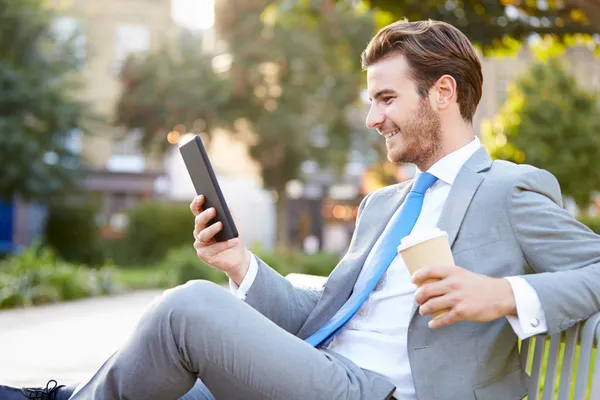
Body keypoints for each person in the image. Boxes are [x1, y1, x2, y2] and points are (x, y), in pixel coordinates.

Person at [3, 18, 600, 400]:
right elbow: (325, 316)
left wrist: (507, 296)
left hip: (387, 393)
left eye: (387, 98)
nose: (373, 119)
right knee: (178, 386)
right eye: (371, 102)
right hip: (323, 372)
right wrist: (241, 265)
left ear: (442, 93)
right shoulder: (383, 204)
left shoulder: (508, 189)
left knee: (187, 308)